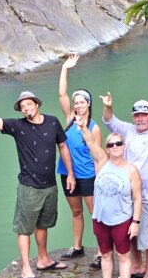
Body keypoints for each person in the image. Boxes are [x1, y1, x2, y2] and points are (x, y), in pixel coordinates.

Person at [0, 75, 75, 278]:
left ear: (37, 104)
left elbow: (63, 147)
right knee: (25, 228)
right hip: (29, 187)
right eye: (22, 107)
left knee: (43, 225)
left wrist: (70, 174)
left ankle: (43, 260)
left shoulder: (53, 122)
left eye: (28, 104)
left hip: (50, 185)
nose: (26, 109)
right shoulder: (18, 126)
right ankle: (26, 267)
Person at [100, 88, 148, 278]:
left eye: (144, 114)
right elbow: (109, 120)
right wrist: (108, 106)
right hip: (127, 196)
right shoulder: (128, 130)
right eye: (137, 115)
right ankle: (137, 266)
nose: (140, 118)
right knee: (130, 233)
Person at [75, 115, 142, 278]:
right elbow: (91, 143)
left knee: (123, 256)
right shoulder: (102, 162)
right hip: (100, 219)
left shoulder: (131, 170)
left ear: (124, 146)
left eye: (118, 143)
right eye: (111, 144)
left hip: (122, 220)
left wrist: (135, 222)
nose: (115, 146)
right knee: (105, 254)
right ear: (107, 149)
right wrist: (83, 127)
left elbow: (137, 198)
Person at [57, 54, 103, 270]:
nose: (78, 105)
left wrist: (99, 178)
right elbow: (62, 94)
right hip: (67, 173)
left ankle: (102, 252)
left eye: (82, 102)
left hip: (87, 175)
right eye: (76, 103)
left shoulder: (94, 127)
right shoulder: (69, 120)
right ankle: (77, 247)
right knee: (76, 212)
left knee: (95, 214)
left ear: (88, 104)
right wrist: (65, 68)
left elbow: (98, 156)